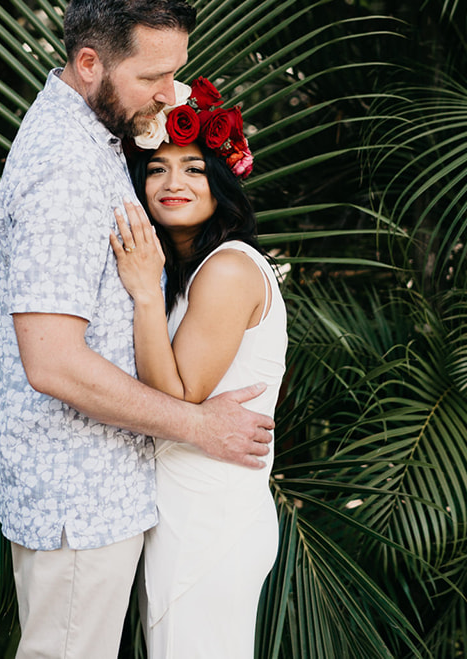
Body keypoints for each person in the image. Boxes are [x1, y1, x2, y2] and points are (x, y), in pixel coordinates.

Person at [0, 0, 275, 659]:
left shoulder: (99, 127)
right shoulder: (64, 165)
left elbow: (173, 120)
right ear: (89, 62)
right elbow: (53, 362)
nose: (168, 93)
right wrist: (198, 424)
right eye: (154, 77)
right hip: (79, 504)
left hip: (106, 495)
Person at [110, 80, 286, 659]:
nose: (173, 183)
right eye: (157, 169)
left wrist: (140, 291)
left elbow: (179, 396)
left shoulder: (229, 270)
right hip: (183, 511)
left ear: (223, 183)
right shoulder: (189, 272)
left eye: (193, 168)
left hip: (211, 519)